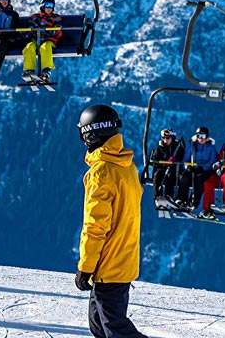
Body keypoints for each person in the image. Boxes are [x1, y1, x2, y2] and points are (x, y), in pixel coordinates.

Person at [74, 104, 147, 338]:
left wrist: (85, 267)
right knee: (98, 323)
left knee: (115, 328)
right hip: (124, 260)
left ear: (90, 134)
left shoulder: (101, 172)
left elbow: (95, 226)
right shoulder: (126, 167)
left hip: (110, 264)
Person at [23, 0, 62, 83]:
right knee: (29, 47)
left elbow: (57, 29)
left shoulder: (56, 18)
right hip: (36, 40)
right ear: (42, 6)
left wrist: (50, 31)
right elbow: (30, 28)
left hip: (49, 40)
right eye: (47, 5)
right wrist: (31, 31)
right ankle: (30, 70)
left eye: (51, 6)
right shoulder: (35, 17)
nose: (49, 8)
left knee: (45, 47)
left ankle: (46, 71)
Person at [184, 127, 219, 219]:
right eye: (199, 136)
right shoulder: (193, 147)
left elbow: (213, 161)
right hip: (194, 170)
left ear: (207, 137)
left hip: (206, 171)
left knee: (199, 179)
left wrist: (203, 167)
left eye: (203, 136)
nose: (201, 138)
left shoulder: (211, 148)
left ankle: (194, 203)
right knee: (184, 178)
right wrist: (188, 167)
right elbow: (185, 160)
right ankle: (183, 201)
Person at [149, 129, 184, 204]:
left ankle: (169, 195)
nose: (165, 140)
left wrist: (175, 160)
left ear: (172, 138)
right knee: (157, 175)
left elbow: (182, 158)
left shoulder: (178, 148)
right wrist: (162, 163)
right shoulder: (160, 148)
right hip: (162, 169)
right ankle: (158, 196)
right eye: (163, 138)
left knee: (170, 176)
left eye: (167, 138)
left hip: (174, 170)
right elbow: (154, 159)